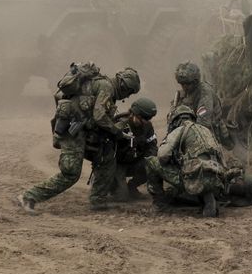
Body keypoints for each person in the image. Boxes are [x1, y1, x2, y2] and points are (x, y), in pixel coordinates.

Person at [16, 67, 141, 213]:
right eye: (130, 92)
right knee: (71, 173)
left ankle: (97, 200)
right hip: (73, 132)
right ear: (124, 86)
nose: (128, 95)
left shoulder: (104, 86)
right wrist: (116, 131)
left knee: (107, 159)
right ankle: (29, 196)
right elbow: (99, 116)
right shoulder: (107, 87)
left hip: (83, 130)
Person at [144, 105, 227, 217]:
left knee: (151, 162)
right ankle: (208, 198)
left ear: (175, 120)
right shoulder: (206, 130)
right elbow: (222, 159)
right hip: (217, 179)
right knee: (200, 165)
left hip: (194, 178)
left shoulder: (180, 130)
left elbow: (162, 157)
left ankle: (159, 204)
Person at [170, 61, 234, 150]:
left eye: (187, 84)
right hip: (191, 130)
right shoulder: (182, 94)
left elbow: (203, 122)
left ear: (195, 82)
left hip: (210, 132)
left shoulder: (205, 93)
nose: (184, 87)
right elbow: (173, 117)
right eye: (182, 84)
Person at [115, 97, 159, 199]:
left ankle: (132, 186)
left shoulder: (147, 126)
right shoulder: (120, 125)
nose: (145, 122)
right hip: (118, 165)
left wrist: (150, 162)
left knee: (153, 165)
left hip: (134, 162)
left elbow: (152, 146)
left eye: (148, 119)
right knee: (121, 197)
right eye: (143, 118)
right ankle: (111, 186)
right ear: (134, 114)